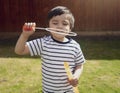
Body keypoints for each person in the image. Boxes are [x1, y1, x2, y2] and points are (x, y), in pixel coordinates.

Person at [15, 6, 85, 93]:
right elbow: (19, 51)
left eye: (64, 24)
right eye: (55, 23)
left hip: (69, 90)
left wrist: (76, 76)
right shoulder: (43, 43)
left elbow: (79, 65)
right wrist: (25, 35)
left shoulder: (75, 46)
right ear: (48, 26)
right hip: (49, 90)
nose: (59, 26)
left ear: (70, 28)